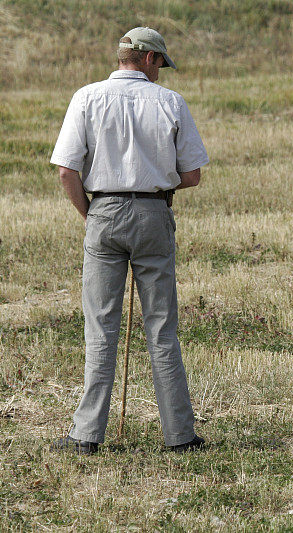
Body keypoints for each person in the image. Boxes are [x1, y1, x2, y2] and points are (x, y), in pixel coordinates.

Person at [49, 27, 209, 454]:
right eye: (161, 65)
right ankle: (180, 437)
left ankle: (86, 437)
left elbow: (66, 170)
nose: (162, 73)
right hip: (155, 214)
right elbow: (192, 175)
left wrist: (94, 215)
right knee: (162, 329)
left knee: (100, 328)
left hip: (103, 211)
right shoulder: (171, 102)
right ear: (151, 59)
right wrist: (152, 180)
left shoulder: (86, 96)